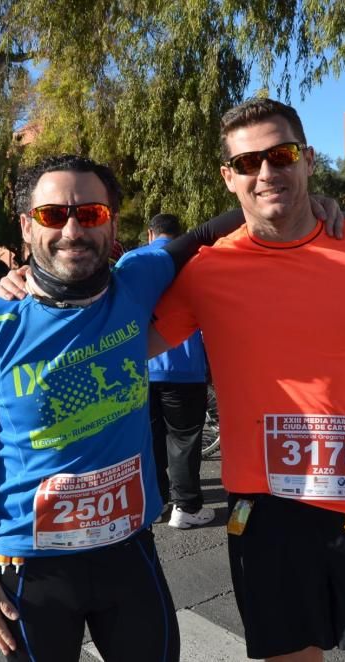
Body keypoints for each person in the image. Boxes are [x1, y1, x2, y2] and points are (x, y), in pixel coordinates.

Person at [0, 153, 345, 660]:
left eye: (90, 214)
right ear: (27, 227)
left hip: (127, 555)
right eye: (52, 215)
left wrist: (304, 203)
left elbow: (209, 230)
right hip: (30, 570)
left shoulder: (135, 281)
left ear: (112, 224)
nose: (72, 229)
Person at [150, 99, 345, 661]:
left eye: (281, 155)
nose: (267, 172)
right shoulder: (206, 271)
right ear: (229, 177)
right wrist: (30, 287)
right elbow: (116, 339)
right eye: (248, 163)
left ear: (306, 158)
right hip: (265, 513)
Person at [132, 213, 215, 529]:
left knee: (150, 438)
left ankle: (156, 501)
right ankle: (187, 506)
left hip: (141, 365)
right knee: (184, 439)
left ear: (150, 234)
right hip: (185, 367)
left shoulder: (131, 260)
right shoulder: (193, 260)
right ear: (179, 235)